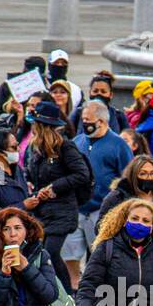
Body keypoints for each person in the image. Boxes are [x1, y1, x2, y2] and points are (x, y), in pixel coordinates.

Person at [23, 101, 92, 294]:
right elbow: (30, 172)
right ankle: (47, 290)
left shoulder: (65, 147)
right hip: (42, 209)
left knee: (51, 252)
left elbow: (82, 174)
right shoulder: (36, 148)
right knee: (39, 252)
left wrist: (54, 187)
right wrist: (30, 185)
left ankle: (68, 293)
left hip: (62, 210)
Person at [71, 100, 134, 287]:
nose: (85, 124)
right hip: (77, 209)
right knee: (70, 254)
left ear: (102, 121)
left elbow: (127, 178)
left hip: (102, 209)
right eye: (83, 119)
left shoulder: (119, 145)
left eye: (88, 120)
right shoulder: (78, 141)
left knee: (99, 255)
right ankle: (74, 287)